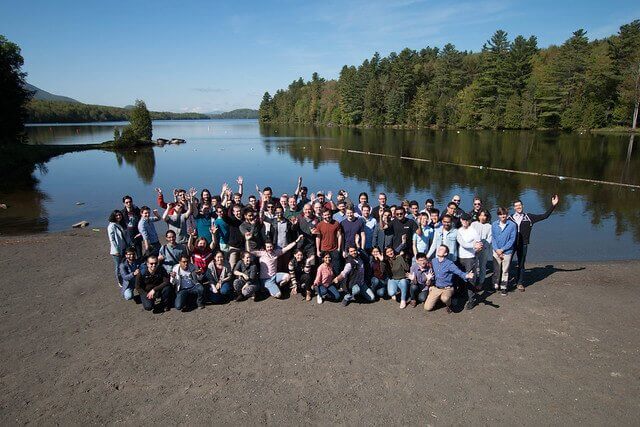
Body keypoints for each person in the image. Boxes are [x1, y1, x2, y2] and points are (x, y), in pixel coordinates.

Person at [510, 195, 559, 291]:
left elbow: (544, 216)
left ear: (522, 206)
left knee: (521, 264)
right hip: (511, 244)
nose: (518, 207)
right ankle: (504, 281)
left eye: (520, 205)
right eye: (516, 206)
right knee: (507, 263)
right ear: (514, 208)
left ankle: (519, 283)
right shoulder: (510, 218)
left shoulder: (529, 217)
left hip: (523, 244)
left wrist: (553, 206)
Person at [425, 245, 474, 313]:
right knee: (427, 308)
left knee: (445, 299)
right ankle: (438, 298)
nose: (439, 250)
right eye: (439, 248)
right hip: (436, 288)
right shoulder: (433, 261)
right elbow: (426, 265)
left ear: (445, 253)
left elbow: (458, 272)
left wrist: (467, 275)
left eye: (442, 249)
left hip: (447, 288)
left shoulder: (449, 264)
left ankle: (449, 304)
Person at [457, 212, 483, 310]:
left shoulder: (474, 231)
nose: (465, 221)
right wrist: (473, 245)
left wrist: (476, 249)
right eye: (463, 219)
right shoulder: (459, 231)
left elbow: (479, 245)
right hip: (461, 257)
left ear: (470, 221)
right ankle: (463, 295)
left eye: (467, 220)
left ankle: (471, 300)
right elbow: (462, 244)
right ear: (461, 220)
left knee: (471, 279)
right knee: (461, 277)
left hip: (470, 258)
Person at [492, 207, 517, 296]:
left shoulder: (512, 225)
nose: (503, 216)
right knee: (496, 269)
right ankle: (495, 284)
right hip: (496, 251)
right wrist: (497, 250)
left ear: (507, 215)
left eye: (504, 214)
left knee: (505, 270)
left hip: (507, 251)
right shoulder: (494, 224)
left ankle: (503, 287)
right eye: (501, 214)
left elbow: (512, 239)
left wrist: (502, 249)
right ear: (498, 215)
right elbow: (493, 238)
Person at [315, 209, 343, 274]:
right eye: (325, 215)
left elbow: (339, 236)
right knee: (323, 269)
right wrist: (318, 250)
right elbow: (318, 237)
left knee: (336, 268)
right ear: (322, 216)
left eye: (328, 214)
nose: (327, 216)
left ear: (331, 214)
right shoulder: (319, 225)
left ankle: (336, 283)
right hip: (323, 249)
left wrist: (339, 248)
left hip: (334, 249)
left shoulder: (336, 223)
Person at [471, 209, 492, 288]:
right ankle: (474, 281)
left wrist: (482, 246)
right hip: (474, 248)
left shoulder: (489, 226)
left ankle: (481, 282)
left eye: (484, 215)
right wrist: (475, 246)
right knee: (474, 266)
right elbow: (471, 236)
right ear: (478, 216)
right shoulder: (473, 224)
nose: (482, 217)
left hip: (484, 249)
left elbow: (489, 239)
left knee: (482, 266)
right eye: (481, 215)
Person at [108, 210, 127, 287]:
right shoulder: (111, 226)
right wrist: (116, 250)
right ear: (113, 216)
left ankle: (125, 278)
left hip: (124, 248)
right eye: (117, 215)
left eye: (120, 215)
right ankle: (120, 281)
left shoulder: (120, 224)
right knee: (118, 266)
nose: (119, 216)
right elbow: (112, 239)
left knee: (124, 264)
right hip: (117, 251)